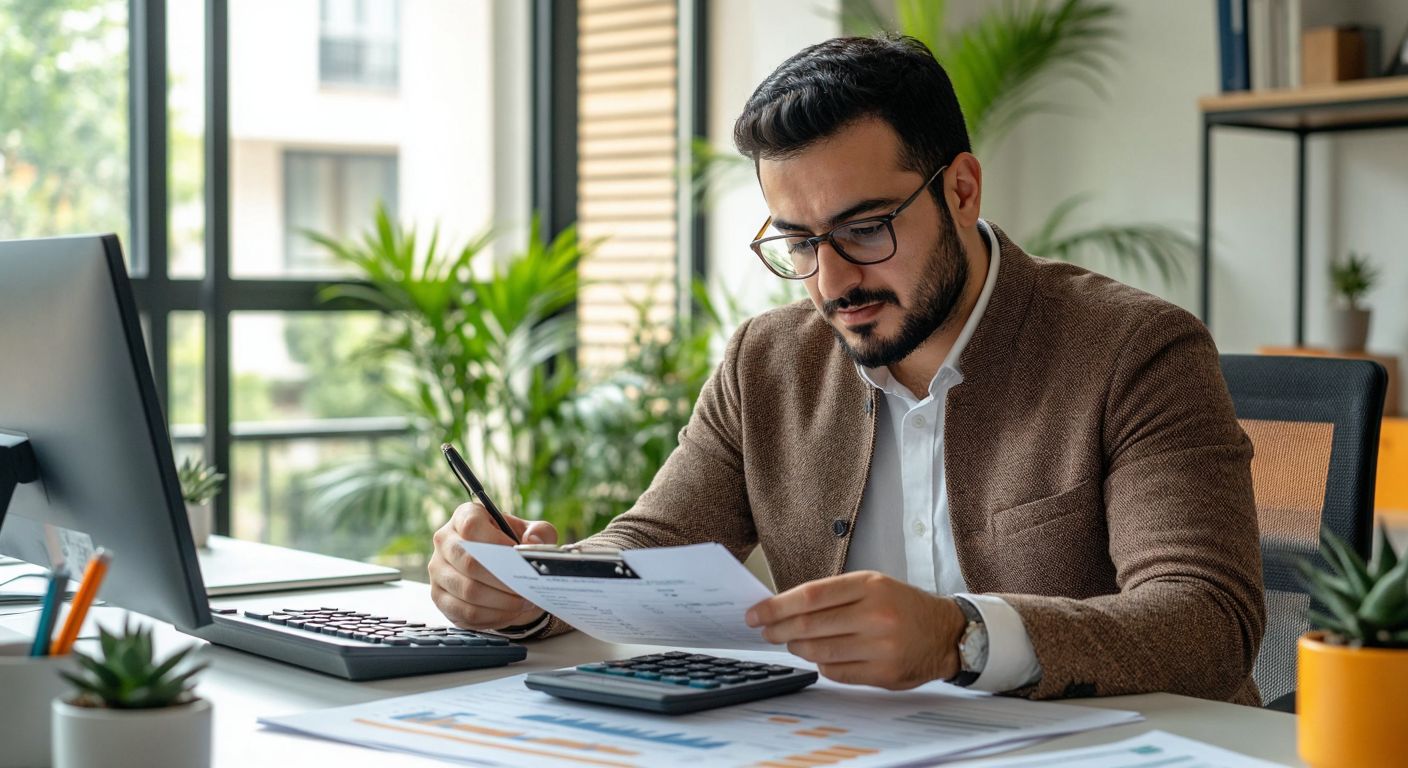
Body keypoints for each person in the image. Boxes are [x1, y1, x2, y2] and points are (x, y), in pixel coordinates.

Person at [428, 35, 1265, 704]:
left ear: (962, 190)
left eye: (866, 229)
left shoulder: (1134, 350)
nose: (831, 282)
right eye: (799, 242)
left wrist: (961, 637)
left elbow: (1207, 618)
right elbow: (653, 545)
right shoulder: (766, 362)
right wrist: (533, 589)